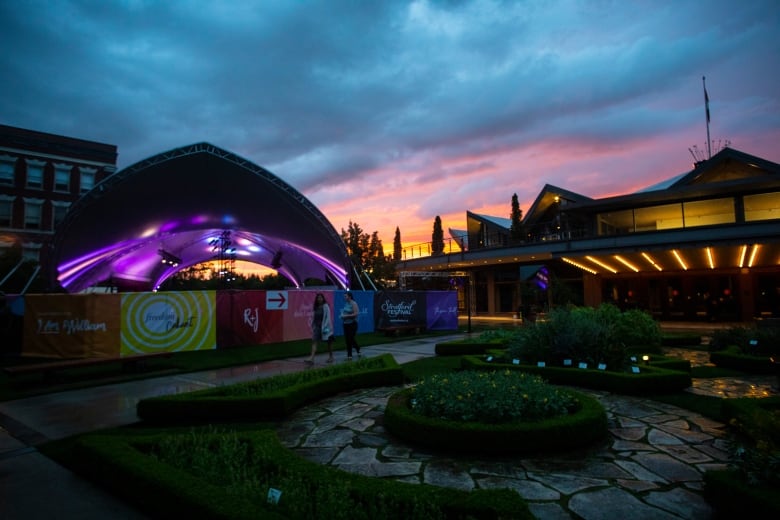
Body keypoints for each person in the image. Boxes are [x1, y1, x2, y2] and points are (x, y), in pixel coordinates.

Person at [306, 293, 333, 364]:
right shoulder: (316, 307)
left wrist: (325, 326)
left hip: (325, 327)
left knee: (328, 343)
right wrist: (313, 325)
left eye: (321, 298)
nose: (319, 299)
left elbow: (328, 317)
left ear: (323, 298)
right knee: (314, 341)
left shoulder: (326, 306)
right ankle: (311, 358)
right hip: (317, 327)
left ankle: (331, 356)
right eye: (318, 298)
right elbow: (314, 317)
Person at [340, 291, 360, 360]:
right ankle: (350, 353)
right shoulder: (346, 303)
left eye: (345, 296)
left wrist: (346, 316)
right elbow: (344, 312)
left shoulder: (354, 303)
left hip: (352, 324)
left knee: (350, 338)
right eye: (344, 296)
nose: (344, 297)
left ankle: (355, 349)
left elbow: (356, 314)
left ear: (350, 296)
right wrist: (342, 316)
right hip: (346, 324)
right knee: (347, 339)